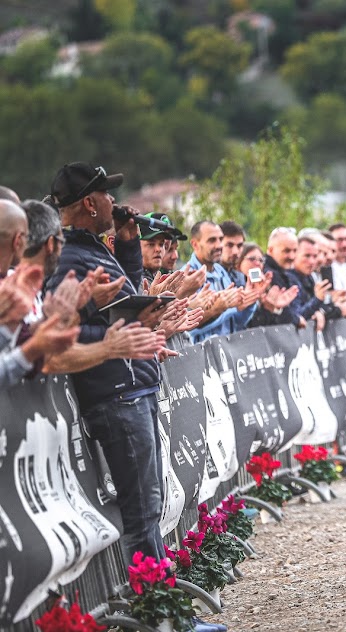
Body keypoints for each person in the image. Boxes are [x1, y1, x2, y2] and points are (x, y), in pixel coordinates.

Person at [45, 162, 170, 565]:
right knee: (141, 510)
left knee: (152, 503)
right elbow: (64, 333)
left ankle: (165, 605)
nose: (115, 200)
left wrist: (130, 244)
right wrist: (119, 337)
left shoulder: (93, 248)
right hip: (117, 394)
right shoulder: (68, 258)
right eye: (107, 193)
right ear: (90, 203)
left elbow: (121, 304)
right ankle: (157, 617)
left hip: (134, 385)